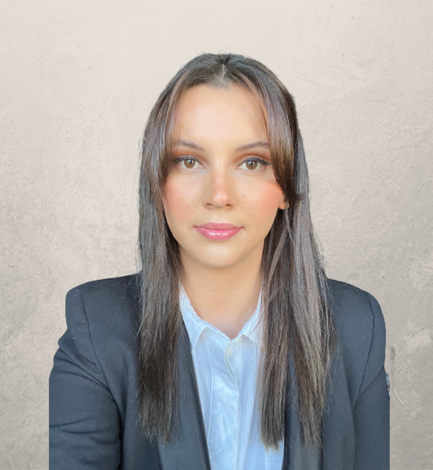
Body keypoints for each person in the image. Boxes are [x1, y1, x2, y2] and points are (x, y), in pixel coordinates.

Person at [49, 53, 390, 470]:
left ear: (286, 188)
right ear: (157, 183)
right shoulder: (95, 328)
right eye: (189, 161)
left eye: (252, 162)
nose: (219, 195)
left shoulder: (357, 326)